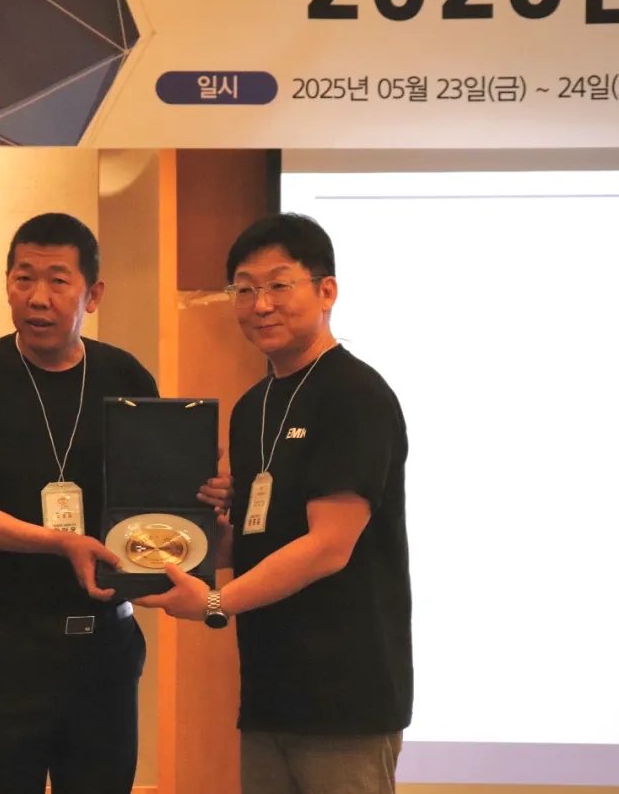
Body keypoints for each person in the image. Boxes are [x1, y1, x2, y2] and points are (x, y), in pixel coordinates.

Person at [0, 212, 231, 794]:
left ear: (93, 294)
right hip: (7, 643)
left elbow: (154, 507)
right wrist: (61, 543)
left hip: (106, 647)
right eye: (23, 278)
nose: (38, 297)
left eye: (58, 281)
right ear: (7, 284)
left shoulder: (124, 375)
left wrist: (202, 498)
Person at [136, 213, 413, 794]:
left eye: (279, 284)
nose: (260, 304)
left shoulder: (354, 394)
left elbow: (328, 547)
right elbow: (261, 539)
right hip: (270, 696)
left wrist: (215, 600)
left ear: (326, 291)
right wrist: (200, 541)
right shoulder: (252, 407)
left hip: (346, 703)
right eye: (244, 289)